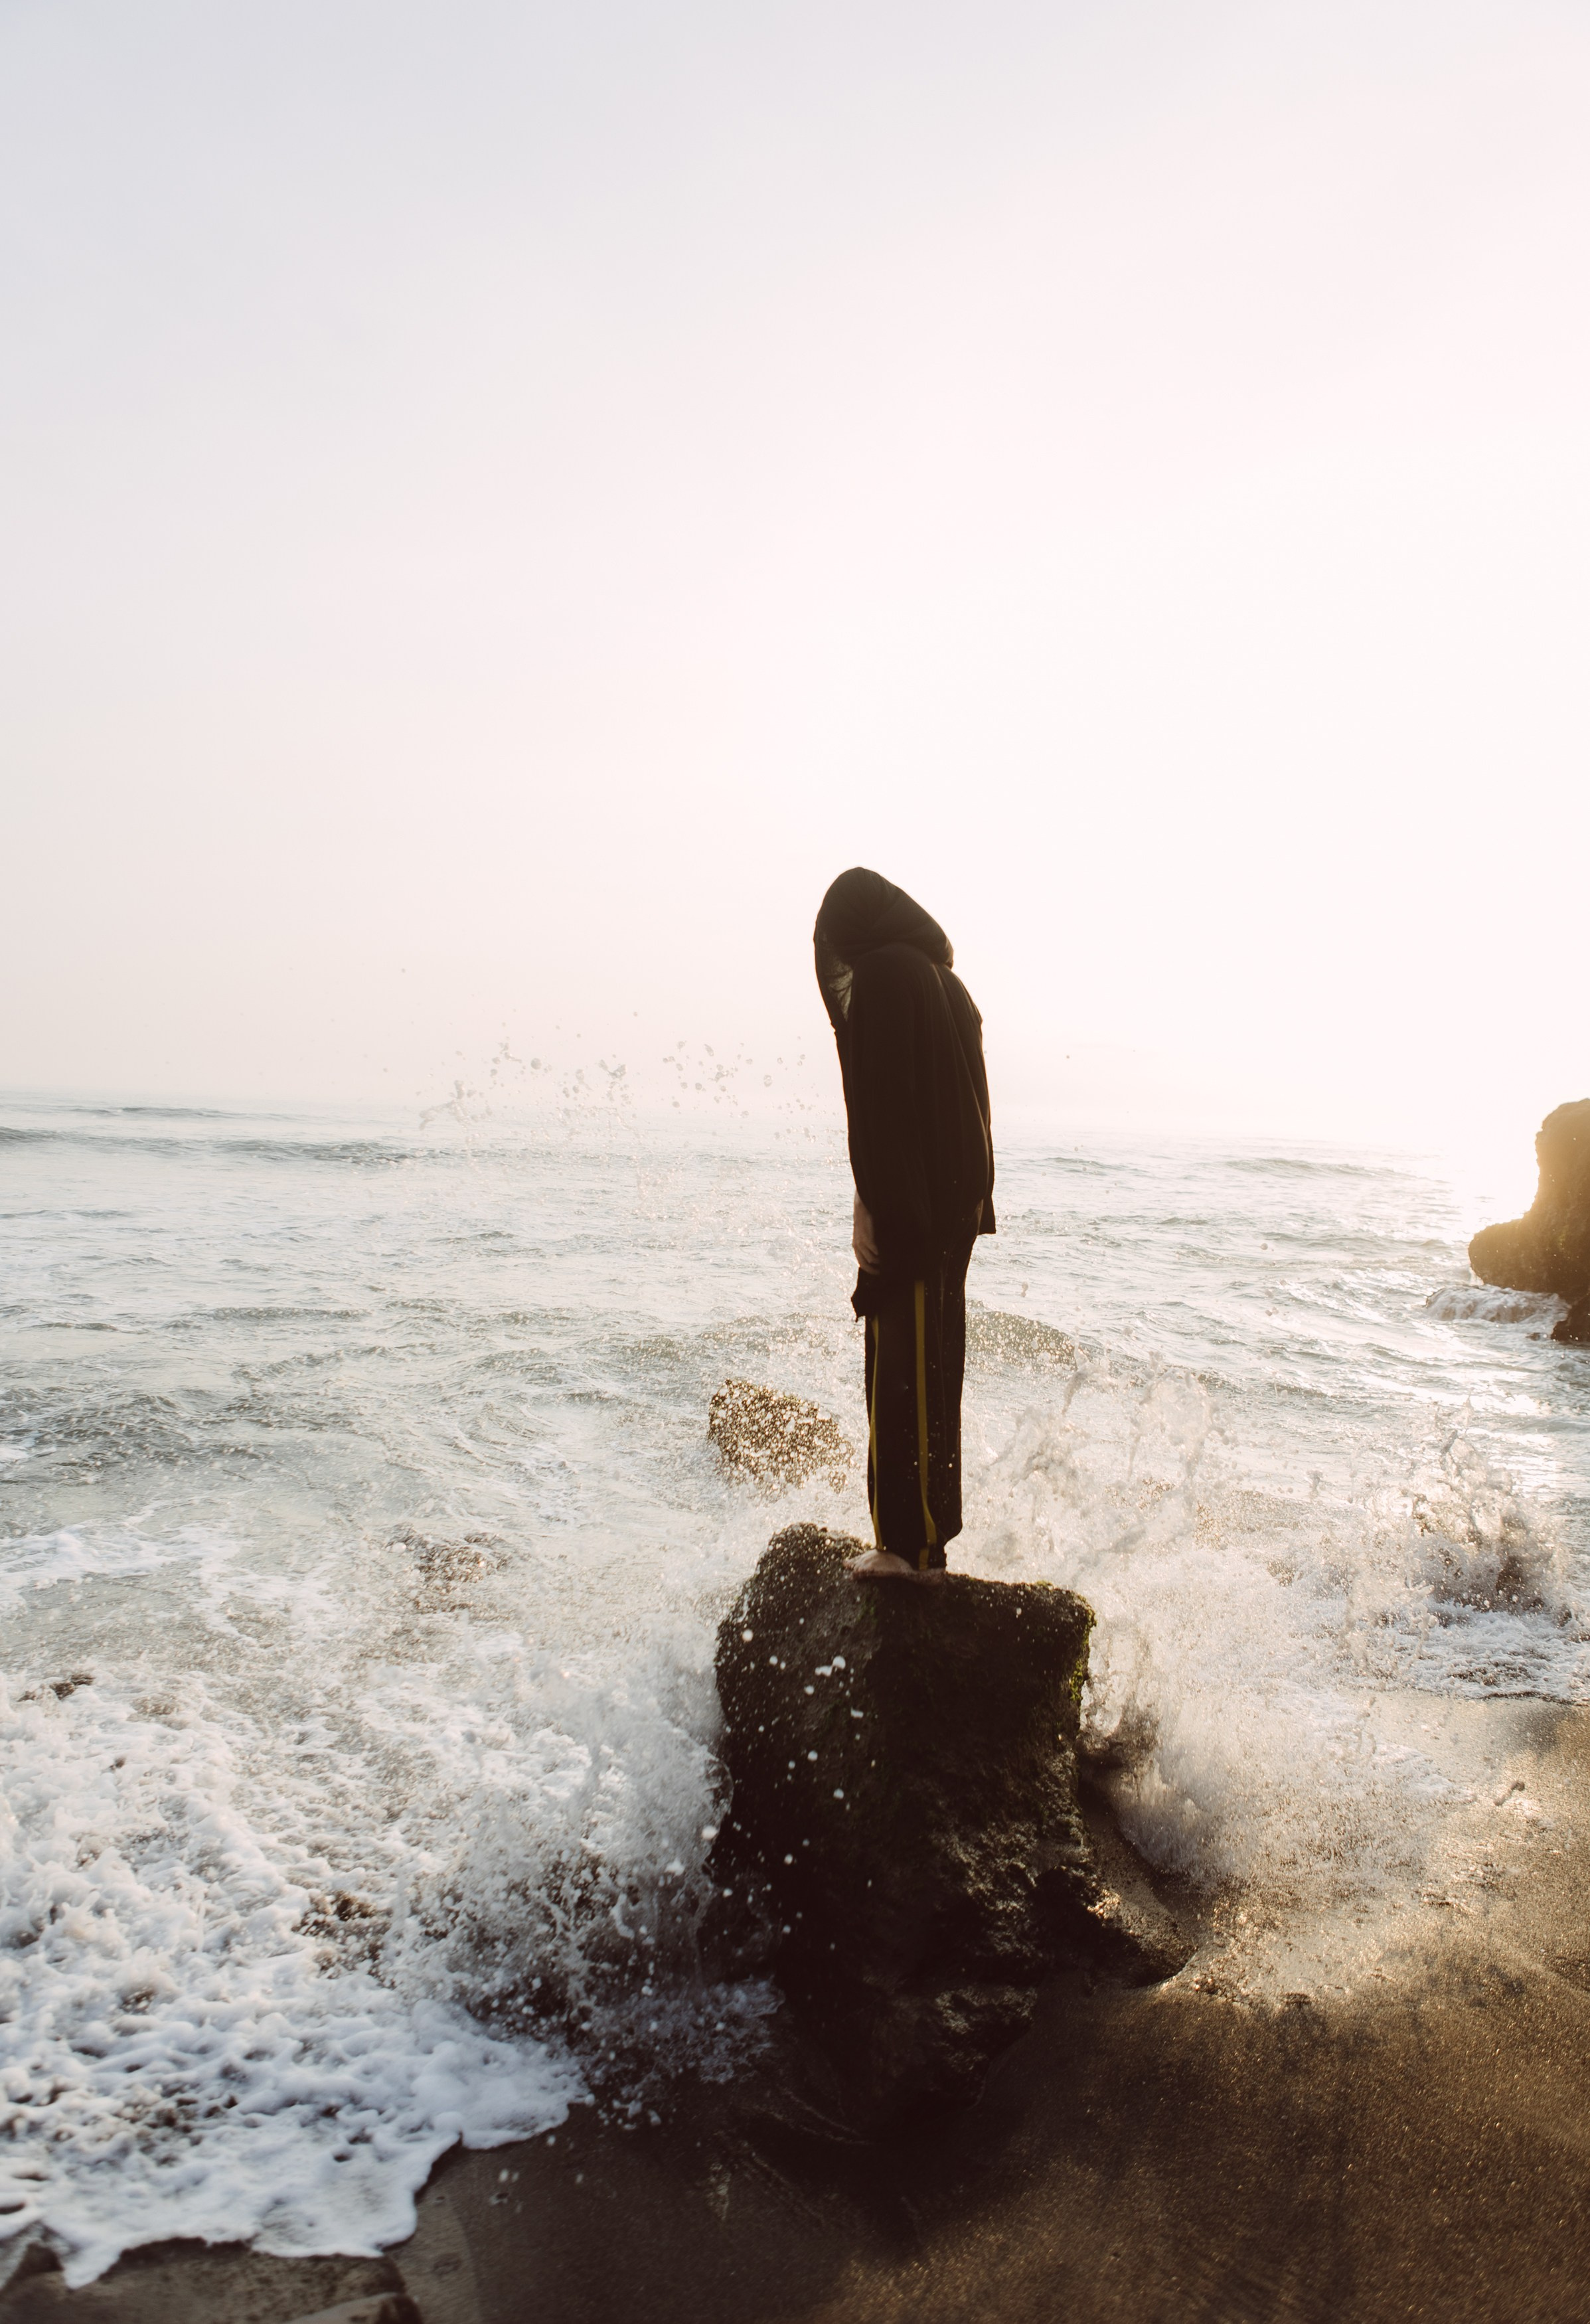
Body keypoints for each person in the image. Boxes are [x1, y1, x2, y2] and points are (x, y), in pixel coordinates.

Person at [813, 869, 995, 1584]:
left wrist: (873, 1201)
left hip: (915, 1202)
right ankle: (928, 1540)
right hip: (954, 1199)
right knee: (934, 1368)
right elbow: (971, 1104)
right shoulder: (947, 984)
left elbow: (882, 1104)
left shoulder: (887, 977)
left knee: (900, 1372)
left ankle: (908, 1549)